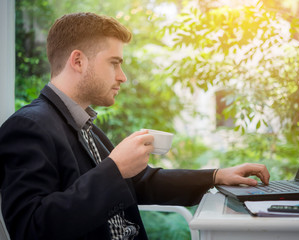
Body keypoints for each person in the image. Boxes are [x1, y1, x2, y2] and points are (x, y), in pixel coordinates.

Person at [0, 12, 270, 240]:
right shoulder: (28, 126)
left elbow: (140, 183)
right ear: (78, 61)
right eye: (114, 63)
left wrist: (216, 176)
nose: (123, 77)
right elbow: (30, 229)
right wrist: (114, 169)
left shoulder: (85, 125)